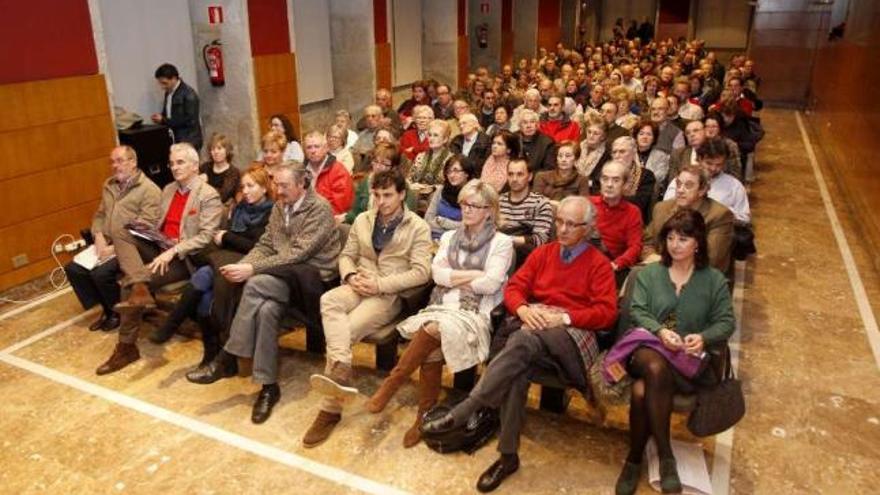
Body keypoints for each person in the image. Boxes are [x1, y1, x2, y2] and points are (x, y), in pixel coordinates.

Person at [422, 196, 618, 493]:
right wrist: (525, 309)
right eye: (559, 221)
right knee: (519, 365)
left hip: (572, 336)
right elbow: (514, 288)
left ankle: (467, 408)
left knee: (522, 339)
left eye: (571, 224)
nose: (562, 229)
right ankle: (508, 455)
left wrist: (563, 317)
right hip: (533, 329)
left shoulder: (599, 264)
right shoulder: (543, 254)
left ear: (588, 227)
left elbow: (607, 313)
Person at [187, 163, 342, 424]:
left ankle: (227, 357)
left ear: (301, 184)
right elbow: (267, 243)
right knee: (267, 309)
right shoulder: (281, 207)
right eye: (276, 185)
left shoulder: (319, 209)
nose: (278, 191)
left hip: (313, 281)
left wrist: (251, 268)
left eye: (284, 186)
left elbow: (297, 254)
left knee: (256, 284)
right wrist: (244, 263)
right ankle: (268, 387)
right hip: (285, 276)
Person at [366, 180, 515, 447]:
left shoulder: (502, 243)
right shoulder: (449, 237)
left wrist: (455, 277)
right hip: (442, 305)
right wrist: (472, 275)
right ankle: (424, 414)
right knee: (432, 345)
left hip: (474, 314)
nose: (466, 210)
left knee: (433, 328)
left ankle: (394, 381)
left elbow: (490, 284)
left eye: (473, 205)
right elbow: (438, 274)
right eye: (463, 204)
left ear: (489, 210)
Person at [302, 170, 433, 448]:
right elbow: (347, 256)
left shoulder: (418, 226)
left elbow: (422, 272)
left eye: (388, 195)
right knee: (329, 301)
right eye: (376, 195)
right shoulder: (362, 219)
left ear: (401, 195)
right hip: (358, 283)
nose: (381, 201)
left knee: (344, 331)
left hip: (386, 293)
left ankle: (329, 410)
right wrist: (350, 276)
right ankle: (342, 370)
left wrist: (381, 284)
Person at [613, 209, 735, 495]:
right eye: (670, 237)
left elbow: (726, 322)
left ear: (698, 243)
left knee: (643, 392)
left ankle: (633, 459)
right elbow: (638, 311)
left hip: (685, 361)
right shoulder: (650, 274)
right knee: (654, 366)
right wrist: (659, 331)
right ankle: (666, 457)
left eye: (683, 238)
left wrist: (703, 338)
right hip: (645, 350)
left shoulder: (713, 279)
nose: (675, 244)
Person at [97, 143, 222, 375]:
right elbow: (157, 224)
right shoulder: (168, 189)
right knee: (121, 230)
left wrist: (173, 250)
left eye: (180, 162)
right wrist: (142, 229)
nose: (174, 167)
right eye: (172, 163)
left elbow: (206, 237)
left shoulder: (208, 195)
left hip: (185, 258)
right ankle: (141, 285)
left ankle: (126, 347)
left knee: (128, 285)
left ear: (195, 166)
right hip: (160, 245)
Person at [150, 166, 274, 371]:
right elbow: (234, 241)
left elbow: (256, 245)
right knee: (204, 291)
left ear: (263, 187)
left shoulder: (271, 211)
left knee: (203, 277)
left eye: (251, 186)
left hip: (252, 263)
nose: (246, 190)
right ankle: (212, 354)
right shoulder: (240, 208)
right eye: (243, 186)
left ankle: (172, 327)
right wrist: (228, 239)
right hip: (229, 257)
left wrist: (226, 236)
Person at [65, 146, 161, 332]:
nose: (114, 166)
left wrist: (115, 248)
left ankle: (120, 313)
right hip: (106, 242)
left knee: (101, 274)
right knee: (74, 269)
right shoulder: (109, 185)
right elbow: (100, 215)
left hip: (133, 247)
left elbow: (146, 229)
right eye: (112, 162)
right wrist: (98, 235)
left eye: (119, 161)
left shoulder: (149, 190)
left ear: (133, 162)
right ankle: (108, 308)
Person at [643, 163, 734, 272]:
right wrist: (653, 259)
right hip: (659, 272)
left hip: (699, 278)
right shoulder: (661, 208)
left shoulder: (720, 215)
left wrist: (663, 262)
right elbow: (646, 243)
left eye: (688, 185)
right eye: (678, 184)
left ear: (702, 190)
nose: (680, 190)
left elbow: (710, 260)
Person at [663, 138, 751, 224]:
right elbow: (666, 208)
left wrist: (724, 214)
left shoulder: (734, 186)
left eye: (718, 165)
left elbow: (744, 218)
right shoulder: (681, 181)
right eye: (709, 163)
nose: (713, 168)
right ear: (699, 159)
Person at [590, 160, 643, 286]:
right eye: (605, 179)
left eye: (616, 180)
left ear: (624, 184)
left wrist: (616, 264)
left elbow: (635, 247)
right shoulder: (588, 203)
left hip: (611, 266)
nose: (609, 184)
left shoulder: (632, 212)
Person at [498, 159, 555, 266]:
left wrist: (508, 240)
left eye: (520, 174)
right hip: (497, 250)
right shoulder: (498, 201)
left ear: (529, 177)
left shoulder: (540, 203)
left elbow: (541, 240)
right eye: (510, 174)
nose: (514, 179)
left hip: (523, 256)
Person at [344, 143, 415, 224]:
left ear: (394, 167)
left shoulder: (402, 186)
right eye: (375, 161)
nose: (377, 167)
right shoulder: (366, 181)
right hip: (363, 225)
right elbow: (355, 212)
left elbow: (405, 219)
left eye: (384, 164)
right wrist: (344, 217)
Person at [302, 131, 354, 217]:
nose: (313, 151)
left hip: (329, 219)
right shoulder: (300, 171)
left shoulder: (339, 171)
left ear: (326, 148)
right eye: (309, 147)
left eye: (317, 146)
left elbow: (340, 207)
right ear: (304, 151)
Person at [151, 63, 203, 151]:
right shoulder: (168, 92)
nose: (162, 87)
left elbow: (190, 120)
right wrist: (161, 118)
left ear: (174, 78)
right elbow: (169, 113)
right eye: (160, 83)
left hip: (188, 140)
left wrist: (163, 120)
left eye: (164, 83)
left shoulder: (189, 94)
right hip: (175, 137)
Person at [425, 156, 475, 240]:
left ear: (467, 173)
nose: (451, 175)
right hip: (432, 238)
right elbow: (427, 220)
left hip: (458, 241)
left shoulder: (474, 195)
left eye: (456, 171)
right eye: (449, 171)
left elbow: (469, 227)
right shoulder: (441, 190)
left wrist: (443, 221)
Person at [609, 136, 656, 224]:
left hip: (632, 221)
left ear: (634, 153)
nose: (617, 156)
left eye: (622, 151)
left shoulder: (646, 175)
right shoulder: (606, 172)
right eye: (614, 152)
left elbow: (638, 203)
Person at [533, 140, 590, 205]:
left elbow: (583, 205)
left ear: (576, 159)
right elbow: (535, 202)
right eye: (560, 156)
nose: (563, 159)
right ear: (556, 159)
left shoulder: (582, 180)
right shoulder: (541, 176)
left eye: (568, 156)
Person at [200, 133, 241, 205]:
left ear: (227, 150)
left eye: (219, 148)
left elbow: (222, 196)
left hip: (221, 208)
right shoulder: (205, 167)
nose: (216, 152)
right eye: (213, 149)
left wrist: (204, 184)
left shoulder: (233, 172)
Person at [634, 121, 671, 191]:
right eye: (641, 134)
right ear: (636, 136)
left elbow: (659, 177)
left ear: (654, 138)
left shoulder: (661, 156)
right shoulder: (629, 153)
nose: (645, 137)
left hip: (650, 190)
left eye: (649, 134)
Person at [576, 116, 611, 182]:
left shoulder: (607, 156)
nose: (591, 136)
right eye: (589, 132)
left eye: (596, 133)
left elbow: (599, 181)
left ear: (603, 136)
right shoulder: (577, 147)